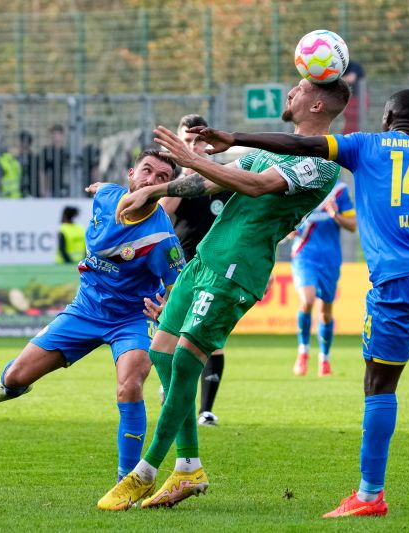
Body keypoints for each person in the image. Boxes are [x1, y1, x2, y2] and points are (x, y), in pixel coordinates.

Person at [184, 89, 409, 518]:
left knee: (379, 386)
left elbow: (301, 144)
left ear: (387, 118)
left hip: (401, 281)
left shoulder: (365, 145)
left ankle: (369, 496)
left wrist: (234, 137)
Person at [96, 78, 351, 512]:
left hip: (238, 267)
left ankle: (144, 472)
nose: (290, 92)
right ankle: (190, 467)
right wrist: (158, 188)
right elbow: (212, 184)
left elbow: (254, 186)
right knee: (161, 352)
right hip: (206, 258)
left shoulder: (323, 162)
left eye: (300, 88)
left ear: (318, 103)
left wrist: (193, 160)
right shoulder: (273, 148)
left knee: (184, 359)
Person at [0, 150, 185, 484]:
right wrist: (99, 187)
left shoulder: (161, 238)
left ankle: (126, 480)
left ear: (168, 189)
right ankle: (11, 387)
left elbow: (178, 285)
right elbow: (101, 188)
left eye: (162, 178)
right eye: (147, 171)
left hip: (132, 318)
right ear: (130, 175)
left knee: (130, 387)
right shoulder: (108, 195)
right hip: (85, 310)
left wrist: (166, 310)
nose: (152, 180)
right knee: (15, 377)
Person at [159, 114, 233, 426]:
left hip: (214, 272)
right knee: (173, 339)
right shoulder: (175, 182)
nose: (192, 146)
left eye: (197, 140)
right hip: (179, 271)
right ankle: (171, 398)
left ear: (207, 143)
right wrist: (182, 177)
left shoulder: (226, 177)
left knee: (207, 339)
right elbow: (162, 215)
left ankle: (205, 409)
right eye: (186, 141)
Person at [290, 179, 356, 377]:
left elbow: (352, 225)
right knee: (307, 300)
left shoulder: (339, 190)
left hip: (330, 259)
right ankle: (303, 352)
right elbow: (287, 222)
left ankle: (324, 358)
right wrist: (289, 230)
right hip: (304, 254)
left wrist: (335, 215)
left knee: (326, 312)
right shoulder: (302, 184)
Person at [40, 124, 70, 197]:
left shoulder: (67, 152)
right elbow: (42, 172)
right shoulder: (46, 151)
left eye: (57, 134)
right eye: (53, 134)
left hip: (65, 188)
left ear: (62, 136)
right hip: (50, 189)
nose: (54, 136)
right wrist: (43, 188)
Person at [341, 60, 367, 134]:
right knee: (350, 120)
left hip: (359, 98)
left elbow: (351, 79)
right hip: (351, 98)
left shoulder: (353, 65)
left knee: (354, 119)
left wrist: (335, 79)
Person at [17, 131, 40, 197]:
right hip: (19, 190)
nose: (20, 144)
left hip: (33, 190)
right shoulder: (17, 158)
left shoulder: (34, 158)